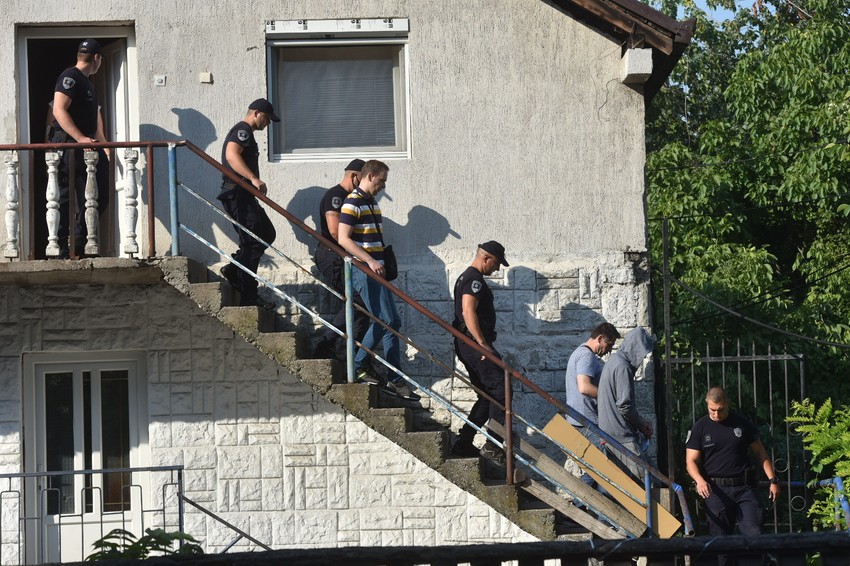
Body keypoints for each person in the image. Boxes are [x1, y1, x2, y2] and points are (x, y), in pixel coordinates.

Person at [336, 160, 419, 401]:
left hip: (377, 271)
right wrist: (369, 261)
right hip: (365, 270)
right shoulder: (352, 202)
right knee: (386, 319)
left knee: (393, 322)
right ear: (370, 176)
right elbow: (343, 239)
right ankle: (360, 364)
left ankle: (394, 377)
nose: (383, 186)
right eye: (381, 180)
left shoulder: (370, 203)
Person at [686, 387, 780, 566]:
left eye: (720, 409)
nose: (716, 414)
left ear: (727, 404)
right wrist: (699, 480)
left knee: (755, 534)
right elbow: (690, 461)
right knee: (721, 545)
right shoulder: (700, 427)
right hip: (715, 491)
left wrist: (772, 480)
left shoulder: (741, 423)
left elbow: (761, 453)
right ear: (707, 404)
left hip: (743, 489)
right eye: (712, 410)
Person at [450, 241, 511, 463]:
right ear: (486, 258)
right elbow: (468, 311)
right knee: (502, 390)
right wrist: (483, 344)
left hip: (468, 343)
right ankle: (494, 445)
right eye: (496, 264)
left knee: (487, 396)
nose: (497, 269)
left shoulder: (468, 277)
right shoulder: (474, 279)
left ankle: (464, 443)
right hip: (474, 344)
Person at [50, 38, 110, 259]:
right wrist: (80, 138)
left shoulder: (87, 83)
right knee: (65, 197)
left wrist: (102, 144)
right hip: (68, 145)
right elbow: (58, 110)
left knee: (97, 195)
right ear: (97, 58)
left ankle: (78, 237)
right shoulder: (71, 77)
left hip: (86, 147)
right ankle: (64, 247)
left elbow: (95, 120)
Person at [218, 98, 279, 309]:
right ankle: (248, 294)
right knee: (253, 240)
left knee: (266, 233)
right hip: (237, 195)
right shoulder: (243, 130)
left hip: (244, 196)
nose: (268, 123)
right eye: (267, 118)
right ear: (256, 113)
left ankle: (235, 269)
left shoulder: (247, 133)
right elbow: (231, 155)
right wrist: (253, 178)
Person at [312, 159, 369, 359]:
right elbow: (335, 232)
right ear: (354, 177)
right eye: (362, 181)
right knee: (359, 302)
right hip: (332, 255)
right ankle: (326, 343)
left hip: (342, 257)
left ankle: (351, 355)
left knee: (361, 305)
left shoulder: (351, 198)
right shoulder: (336, 196)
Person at [564, 322, 620, 487]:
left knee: (596, 469)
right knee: (602, 467)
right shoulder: (586, 356)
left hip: (581, 420)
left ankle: (580, 505)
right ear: (600, 338)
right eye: (608, 345)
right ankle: (578, 504)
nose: (609, 350)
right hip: (585, 422)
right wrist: (609, 397)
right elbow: (584, 387)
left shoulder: (580, 354)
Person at [597, 327, 654, 482]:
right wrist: (642, 424)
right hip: (620, 436)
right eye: (642, 354)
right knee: (647, 483)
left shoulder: (614, 361)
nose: (642, 359)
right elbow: (625, 406)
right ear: (636, 349)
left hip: (611, 433)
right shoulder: (622, 367)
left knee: (619, 487)